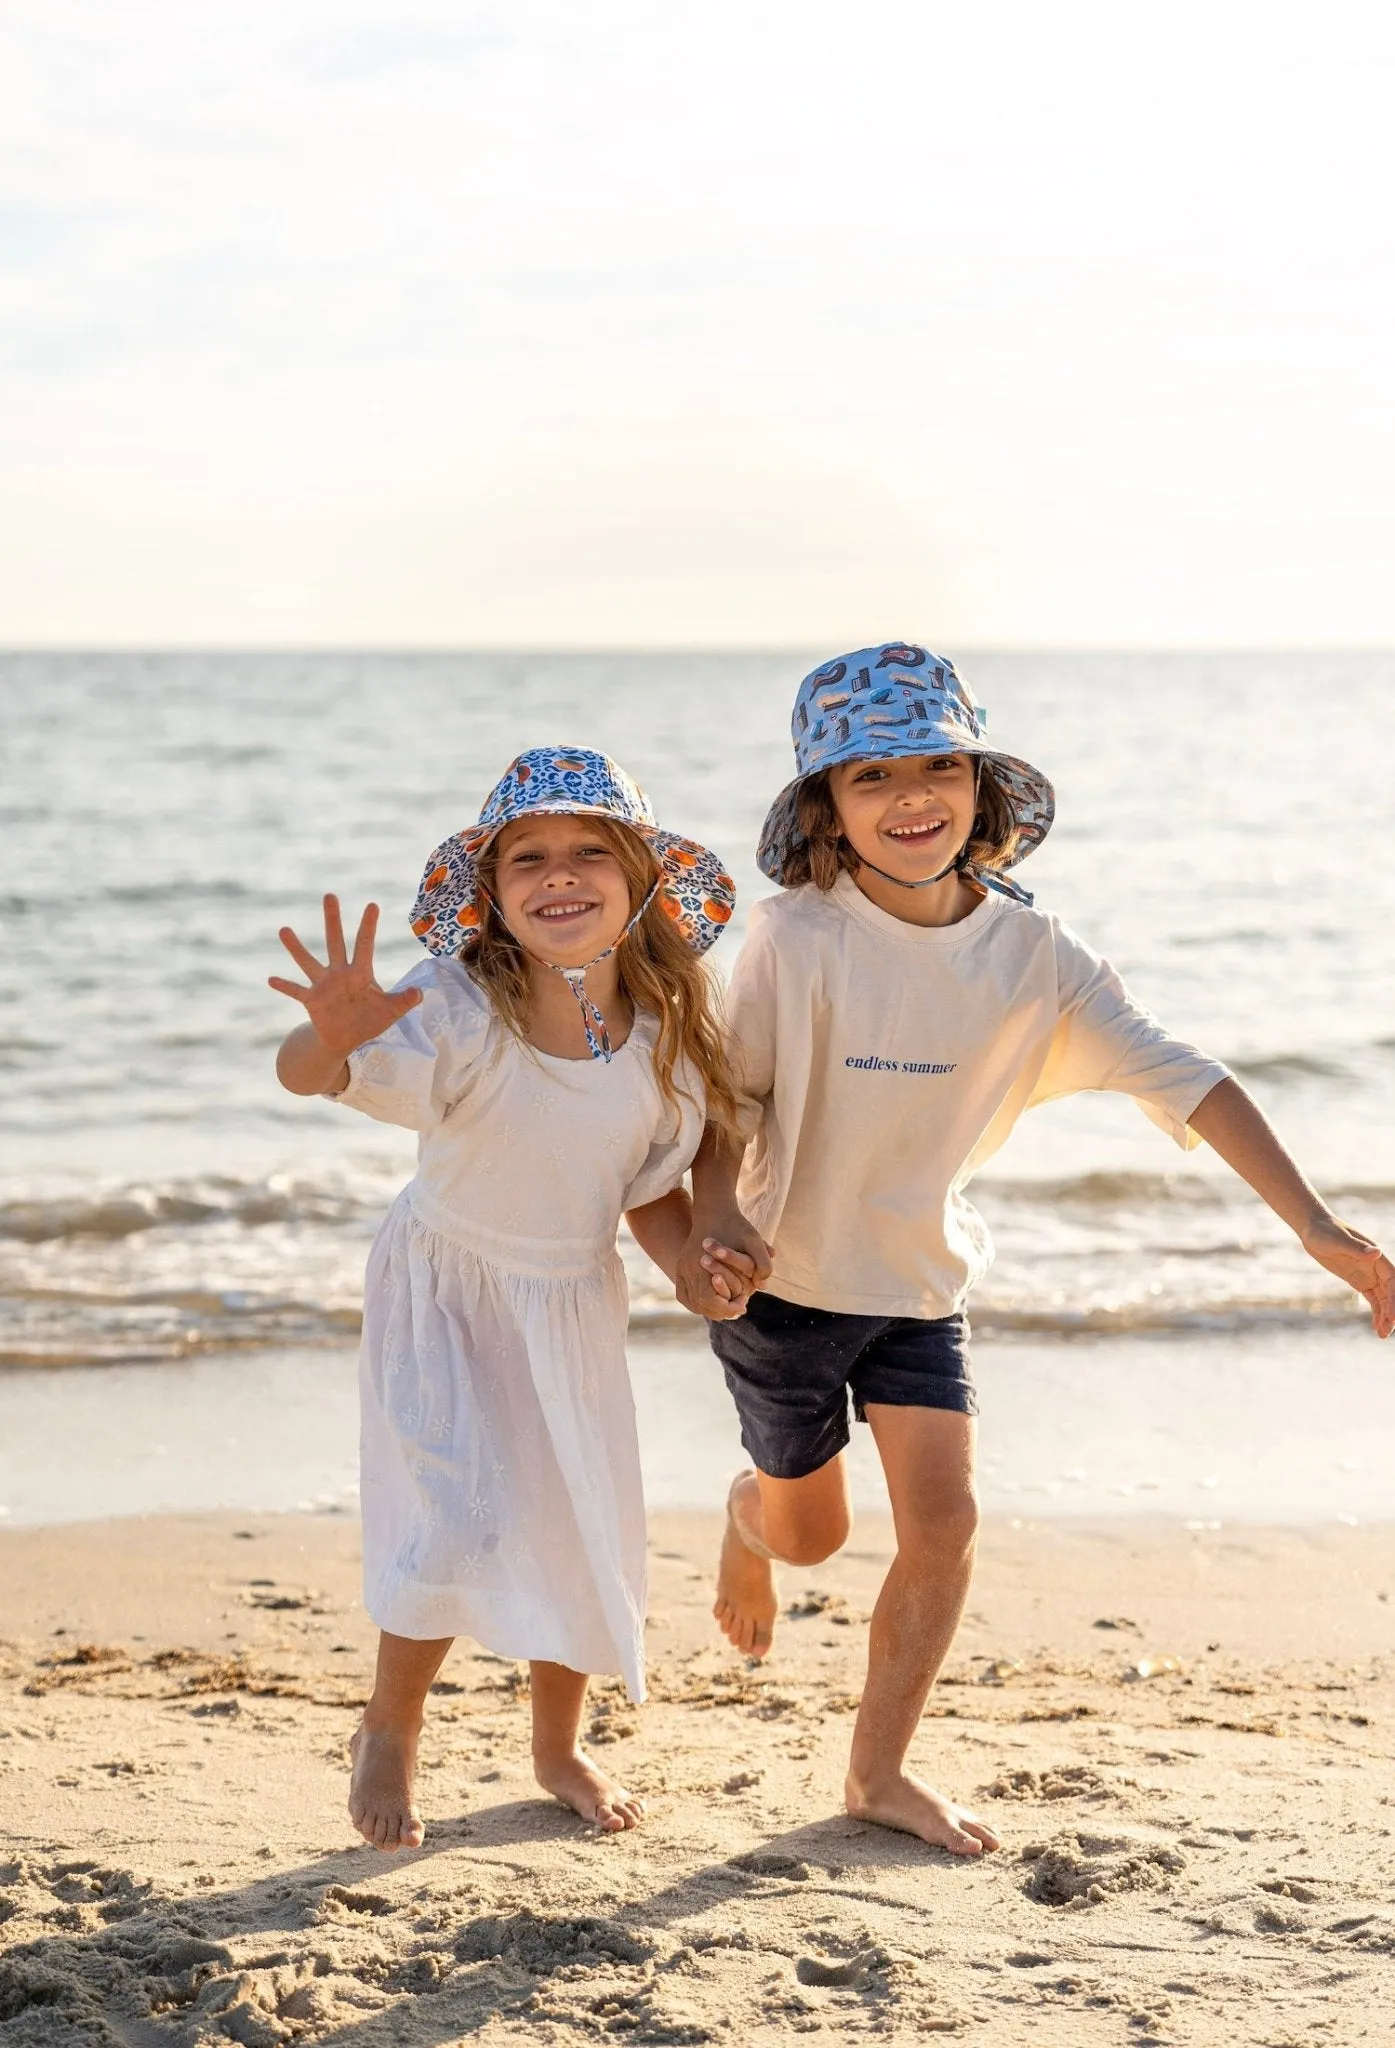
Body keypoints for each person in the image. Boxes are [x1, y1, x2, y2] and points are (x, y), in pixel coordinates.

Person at [679, 642, 1395, 1860]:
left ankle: (878, 1769)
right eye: (872, 775)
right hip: (782, 1283)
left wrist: (1318, 1225)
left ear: (982, 786)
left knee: (946, 1519)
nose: (913, 795)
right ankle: (750, 1515)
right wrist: (716, 1218)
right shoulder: (794, 940)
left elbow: (1191, 1076)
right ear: (826, 810)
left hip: (916, 1278)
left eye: (940, 763)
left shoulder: (1035, 956)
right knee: (813, 1535)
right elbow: (716, 1108)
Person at [271, 747, 753, 1850]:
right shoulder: (455, 1006)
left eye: (590, 851)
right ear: (491, 895)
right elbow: (313, 1073)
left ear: (641, 882)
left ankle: (556, 1744)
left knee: (573, 1516)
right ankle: (390, 1723)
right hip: (444, 1289)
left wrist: (692, 1268)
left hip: (570, 1300)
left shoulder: (666, 1036)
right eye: (527, 857)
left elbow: (648, 1193)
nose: (559, 873)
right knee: (455, 1512)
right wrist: (332, 1033)